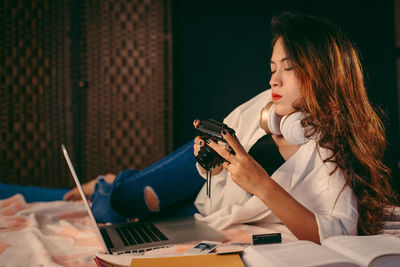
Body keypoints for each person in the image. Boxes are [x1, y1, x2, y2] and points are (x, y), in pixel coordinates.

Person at [64, 12, 397, 243]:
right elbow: (231, 127)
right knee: (123, 199)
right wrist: (215, 157)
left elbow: (339, 231)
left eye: (289, 68)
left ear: (323, 74)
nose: (273, 79)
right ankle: (113, 183)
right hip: (205, 170)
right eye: (272, 67)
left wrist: (261, 184)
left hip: (217, 206)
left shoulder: (327, 152)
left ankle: (105, 185)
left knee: (115, 215)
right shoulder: (271, 101)